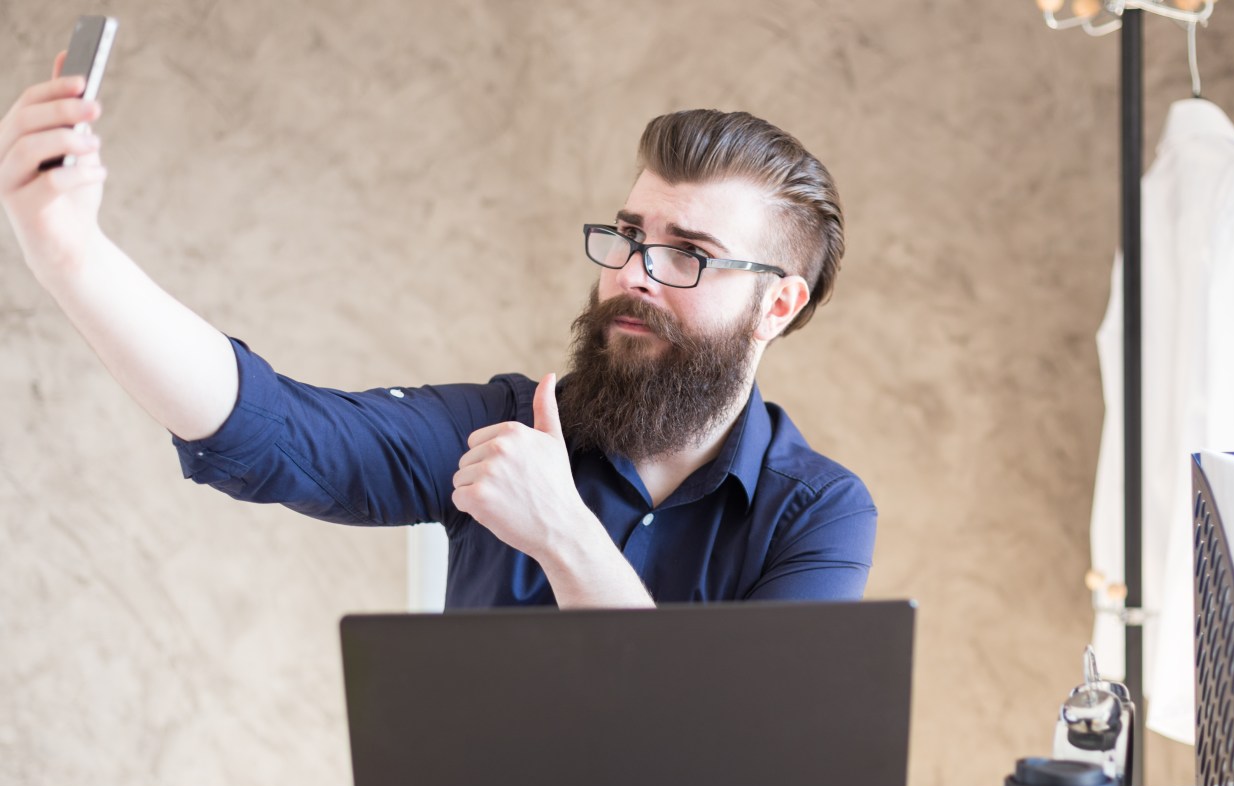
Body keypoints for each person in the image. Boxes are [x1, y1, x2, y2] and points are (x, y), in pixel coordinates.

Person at [0, 56, 876, 609]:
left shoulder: (821, 514)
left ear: (778, 305)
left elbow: (731, 744)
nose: (634, 273)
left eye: (689, 254)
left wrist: (564, 536)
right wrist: (70, 254)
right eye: (633, 235)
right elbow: (269, 429)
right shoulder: (495, 430)